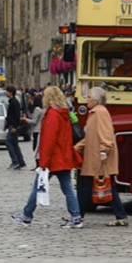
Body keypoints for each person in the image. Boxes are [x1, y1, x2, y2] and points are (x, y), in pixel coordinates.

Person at [13, 86, 82, 227]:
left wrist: (43, 162)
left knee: (38, 186)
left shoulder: (53, 115)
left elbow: (48, 140)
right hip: (64, 156)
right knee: (67, 187)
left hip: (53, 159)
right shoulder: (64, 113)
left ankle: (27, 215)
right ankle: (76, 217)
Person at [76, 86, 128, 226]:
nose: (87, 99)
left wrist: (104, 151)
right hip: (96, 158)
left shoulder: (100, 113)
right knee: (105, 187)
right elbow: (90, 137)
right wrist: (76, 149)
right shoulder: (95, 112)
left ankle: (77, 215)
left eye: (89, 97)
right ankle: (121, 216)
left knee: (89, 187)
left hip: (99, 159)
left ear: (96, 100)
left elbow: (106, 134)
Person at [4, 85, 27, 170]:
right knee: (15, 144)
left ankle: (15, 161)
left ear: (10, 93)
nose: (5, 93)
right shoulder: (11, 101)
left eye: (7, 91)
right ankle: (20, 161)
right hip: (11, 125)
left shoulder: (14, 102)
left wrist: (15, 126)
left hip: (13, 126)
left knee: (9, 143)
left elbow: (16, 116)